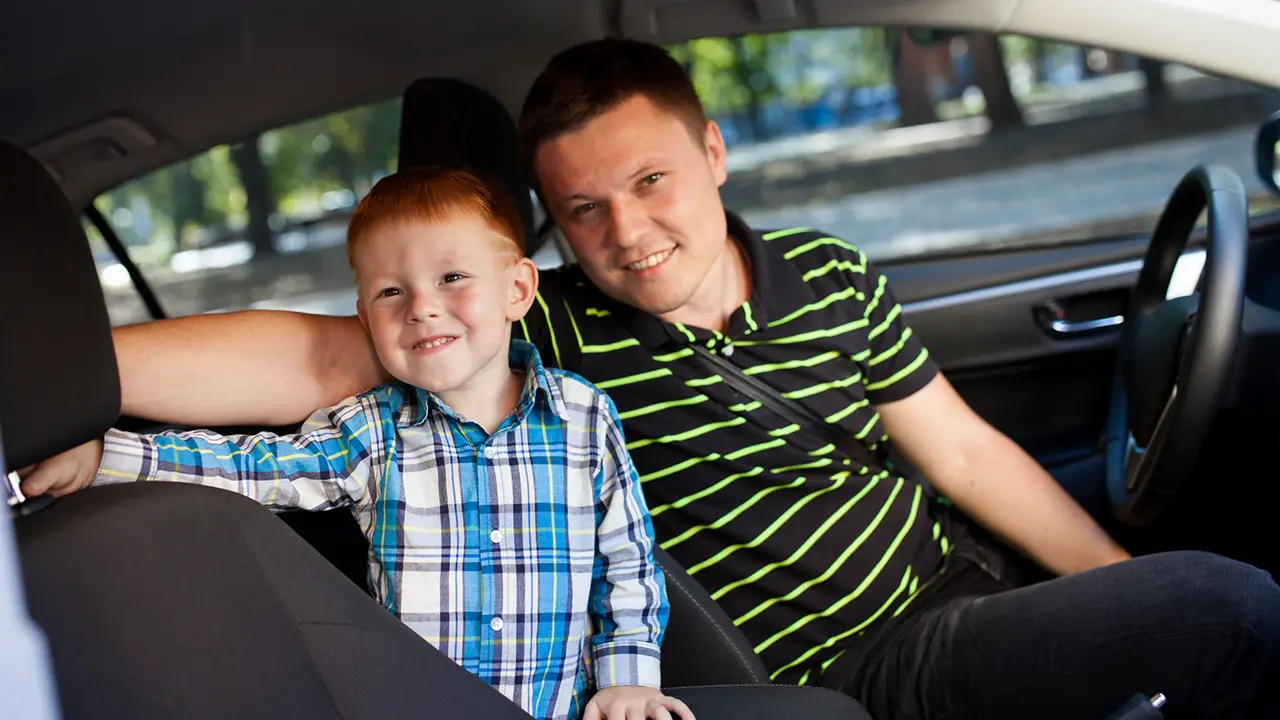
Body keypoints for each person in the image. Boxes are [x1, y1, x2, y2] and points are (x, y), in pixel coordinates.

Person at [25, 39, 1280, 719]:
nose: (625, 232)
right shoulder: (537, 340)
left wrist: (1114, 585)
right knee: (1230, 604)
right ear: (547, 238)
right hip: (860, 660)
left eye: (649, 183)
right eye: (582, 209)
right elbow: (308, 352)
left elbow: (962, 455)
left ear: (713, 152)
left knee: (1170, 602)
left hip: (967, 587)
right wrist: (54, 380)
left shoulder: (826, 271)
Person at [20, 167, 694, 720]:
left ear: (517, 288)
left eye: (452, 278)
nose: (422, 307)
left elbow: (627, 562)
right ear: (364, 316)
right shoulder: (372, 430)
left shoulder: (582, 415)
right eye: (390, 291)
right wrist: (104, 452)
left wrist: (629, 678)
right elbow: (253, 468)